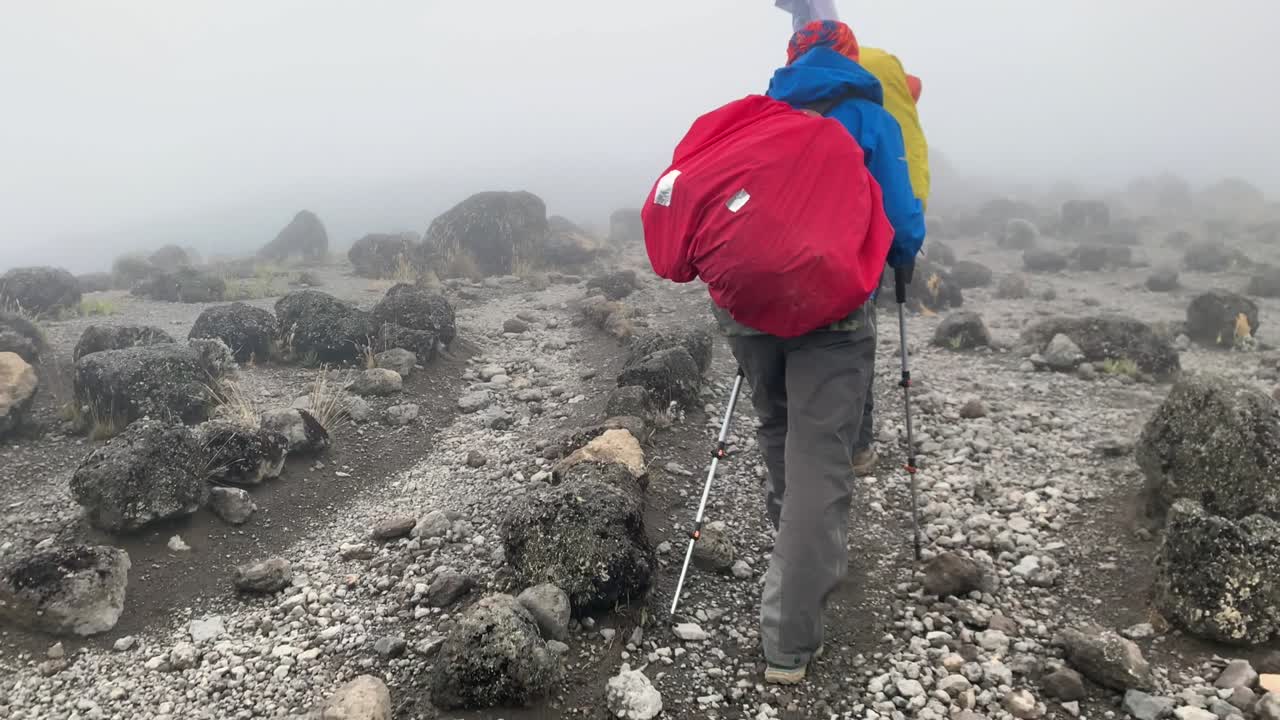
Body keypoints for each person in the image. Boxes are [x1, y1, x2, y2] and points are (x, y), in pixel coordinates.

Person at [710, 20, 926, 684]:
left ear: (790, 60)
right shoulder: (869, 116)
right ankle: (789, 637)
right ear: (851, 59)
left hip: (747, 310)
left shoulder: (759, 116)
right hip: (831, 310)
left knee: (778, 427)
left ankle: (794, 546)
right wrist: (902, 262)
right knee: (820, 458)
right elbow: (902, 220)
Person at [848, 46, 931, 475]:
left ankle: (790, 437)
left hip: (791, 246)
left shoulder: (787, 106)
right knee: (857, 338)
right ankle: (856, 446)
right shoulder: (883, 111)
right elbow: (904, 186)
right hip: (862, 247)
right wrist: (904, 251)